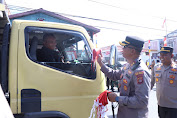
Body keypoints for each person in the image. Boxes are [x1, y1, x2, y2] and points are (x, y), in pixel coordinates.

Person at [97, 36, 151, 118]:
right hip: (124, 113)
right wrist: (101, 63)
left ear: (132, 51)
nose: (122, 49)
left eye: (125, 47)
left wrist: (117, 98)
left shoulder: (140, 72)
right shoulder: (128, 66)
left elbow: (142, 101)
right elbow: (114, 75)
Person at [151, 46, 177, 118]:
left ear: (171, 55)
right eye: (161, 55)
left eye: (165, 55)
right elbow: (151, 83)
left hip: (174, 106)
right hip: (161, 105)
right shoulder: (156, 67)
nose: (162, 57)